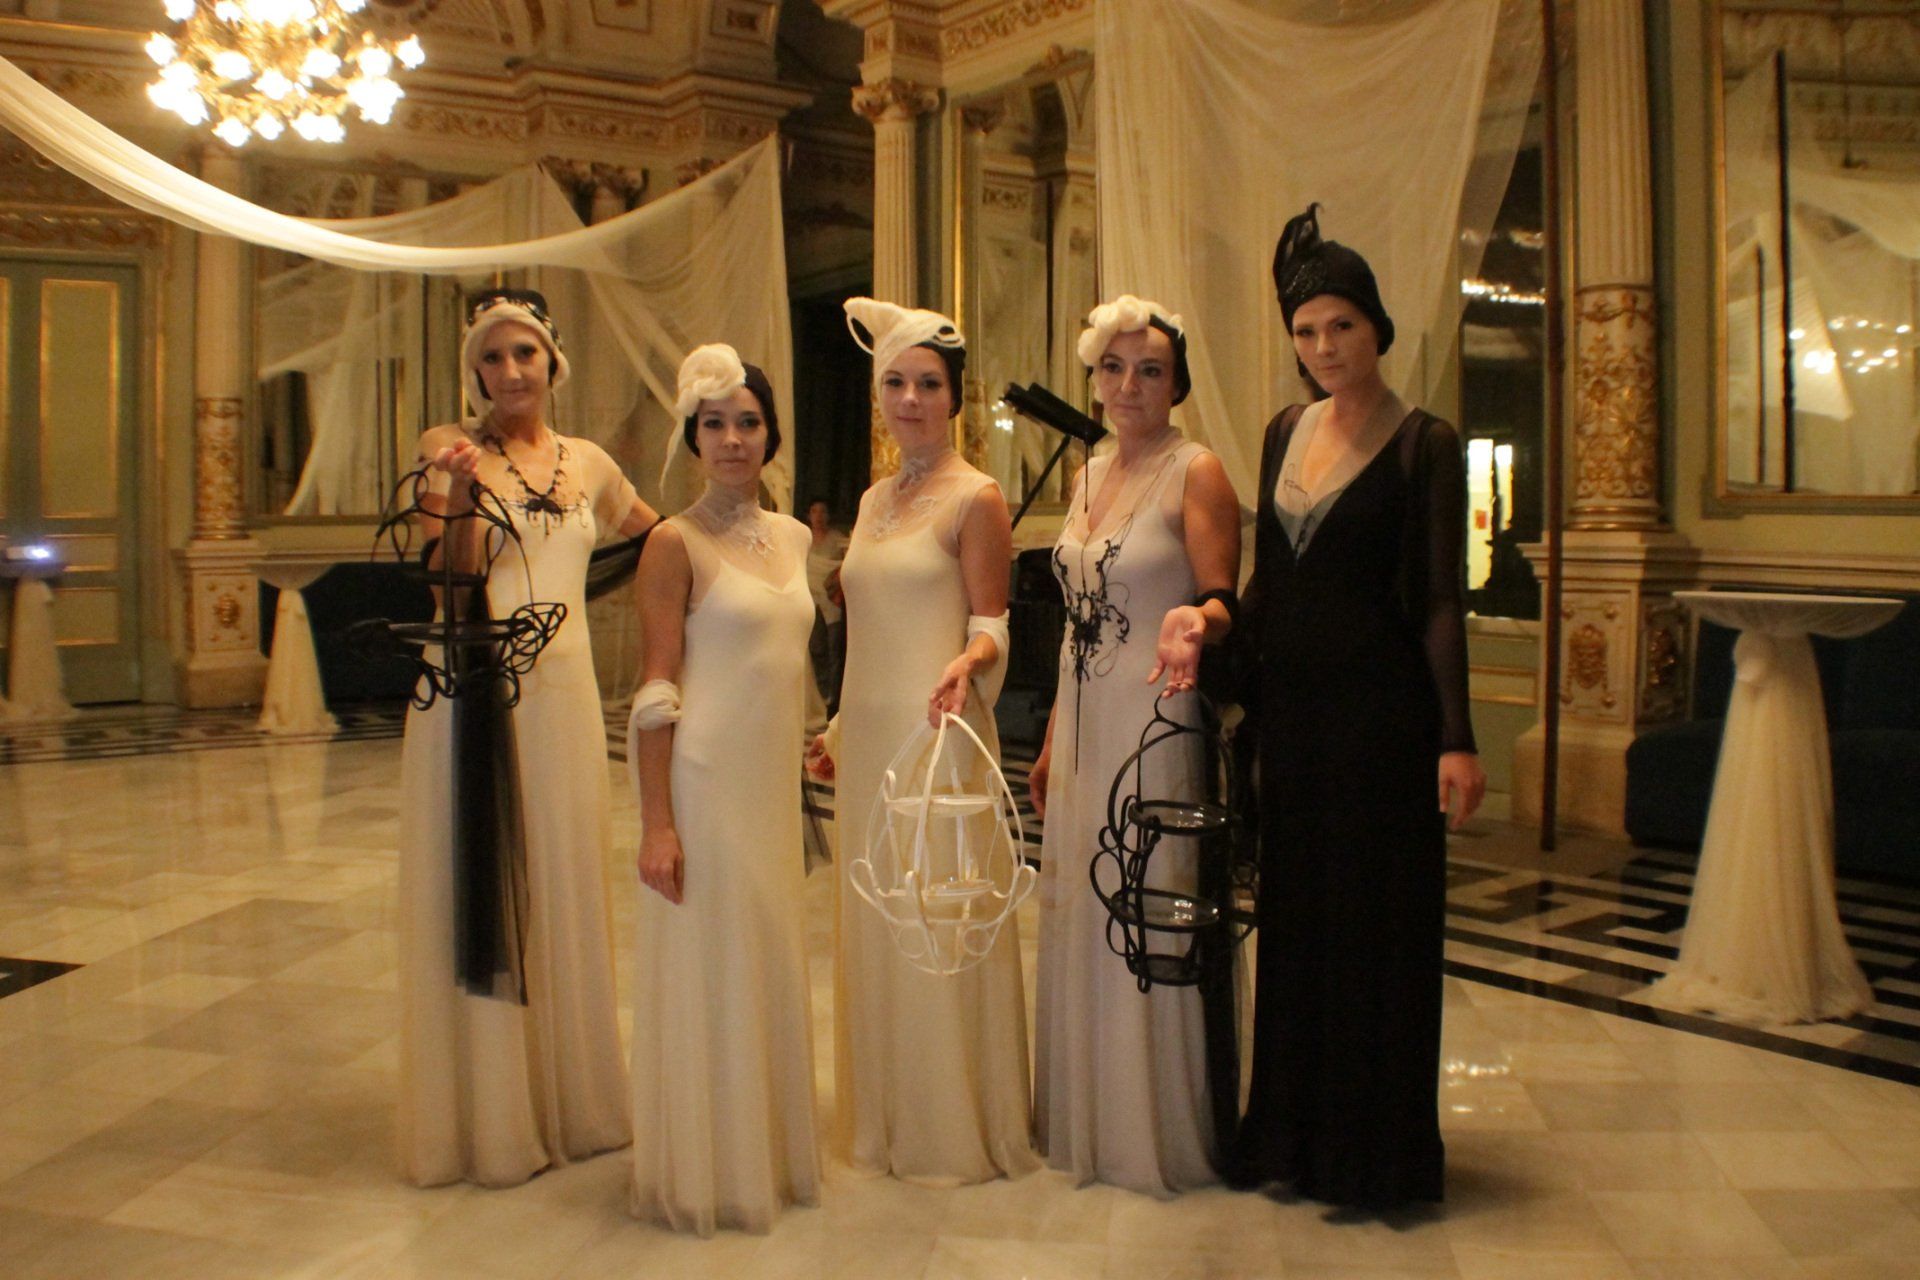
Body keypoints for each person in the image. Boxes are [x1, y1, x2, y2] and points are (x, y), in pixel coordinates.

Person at [1234, 205, 1486, 1209]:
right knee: (1298, 924)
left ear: (1376, 326)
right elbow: (1269, 581)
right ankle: (1293, 1141)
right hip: (1293, 721)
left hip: (1383, 723)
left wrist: (1457, 738)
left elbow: (1440, 600)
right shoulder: (1281, 433)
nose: (1324, 346)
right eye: (1306, 330)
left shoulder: (1427, 442)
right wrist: (1214, 638)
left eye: (1342, 324)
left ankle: (1371, 1155)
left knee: (1374, 929)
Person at [398, 288, 657, 1188]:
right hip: (477, 689)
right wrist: (462, 490)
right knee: (487, 876)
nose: (511, 371)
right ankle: (496, 1115)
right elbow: (449, 577)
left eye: (525, 354)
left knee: (564, 876)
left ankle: (575, 1100)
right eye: (493, 356)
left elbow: (663, 545)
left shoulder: (590, 463)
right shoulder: (448, 449)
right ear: (475, 370)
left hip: (568, 695)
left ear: (553, 362)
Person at [804, 297, 1034, 1185]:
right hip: (870, 743)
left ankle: (947, 1126)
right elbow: (866, 633)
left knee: (936, 912)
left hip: (938, 733)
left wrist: (968, 663)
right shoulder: (871, 500)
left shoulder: (977, 496)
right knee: (878, 914)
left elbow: (992, 624)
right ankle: (885, 1116)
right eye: (895, 383)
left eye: (927, 384)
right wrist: (837, 728)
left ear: (955, 397)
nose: (910, 399)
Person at [1026, 296, 1241, 1198]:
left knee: (1148, 896)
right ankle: (1087, 1115)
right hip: (1083, 721)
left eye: (1149, 370)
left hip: (1157, 716)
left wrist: (1199, 621)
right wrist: (1050, 739)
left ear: (1176, 382)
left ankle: (1153, 1128)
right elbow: (1075, 626)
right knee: (1084, 899)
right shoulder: (1087, 475)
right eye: (1113, 369)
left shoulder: (1198, 471)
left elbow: (1224, 600)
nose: (1129, 386)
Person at [626, 344, 821, 1234]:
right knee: (714, 966)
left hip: (770, 788)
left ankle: (765, 1155)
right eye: (715, 424)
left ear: (770, 433)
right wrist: (656, 824)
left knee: (768, 959)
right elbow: (656, 689)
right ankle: (708, 1170)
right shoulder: (673, 542)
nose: (733, 439)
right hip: (704, 783)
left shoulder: (795, 538)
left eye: (748, 422)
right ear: (693, 437)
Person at [804, 498, 849, 719]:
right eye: (815, 512)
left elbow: (845, 567)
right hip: (810, 601)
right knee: (816, 648)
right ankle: (820, 698)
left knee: (834, 651)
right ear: (809, 516)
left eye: (823, 512)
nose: (819, 516)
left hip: (831, 604)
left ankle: (833, 700)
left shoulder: (836, 539)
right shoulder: (804, 539)